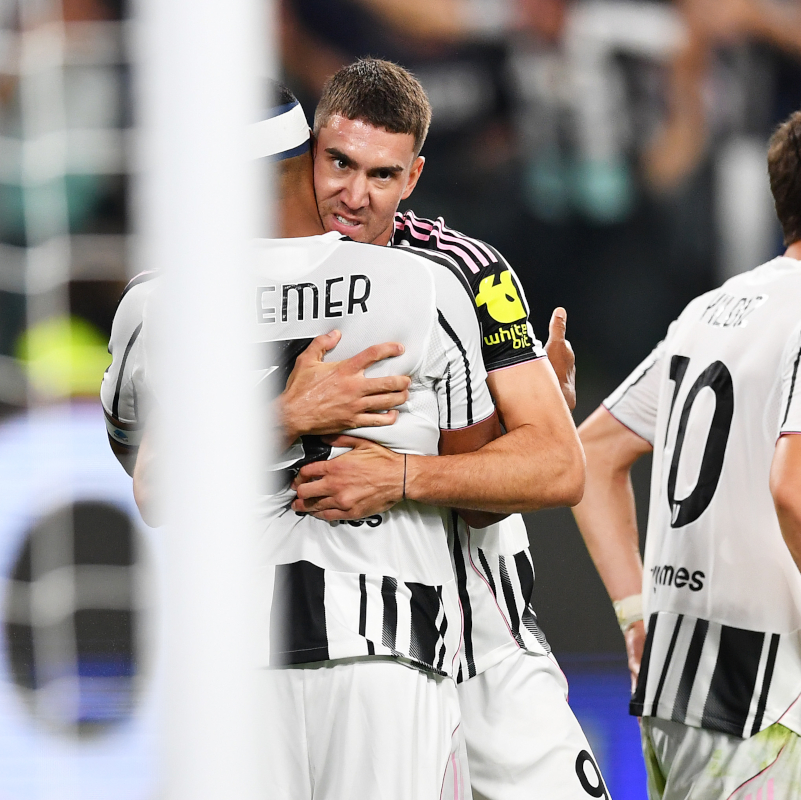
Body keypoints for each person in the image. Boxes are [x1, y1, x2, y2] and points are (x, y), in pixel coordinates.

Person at [101, 87, 500, 800]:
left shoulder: (163, 302)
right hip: (390, 649)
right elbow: (481, 493)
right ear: (305, 163)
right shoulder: (424, 287)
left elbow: (155, 488)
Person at [572, 97, 801, 799]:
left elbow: (592, 455)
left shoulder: (711, 309)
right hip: (757, 697)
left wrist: (635, 614)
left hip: (674, 687)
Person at [282, 59, 606, 800]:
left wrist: (400, 478)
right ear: (311, 151)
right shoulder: (264, 274)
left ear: (415, 177)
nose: (353, 195)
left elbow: (559, 467)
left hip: (489, 647)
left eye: (383, 175)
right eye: (338, 163)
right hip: (359, 652)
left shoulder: (465, 273)